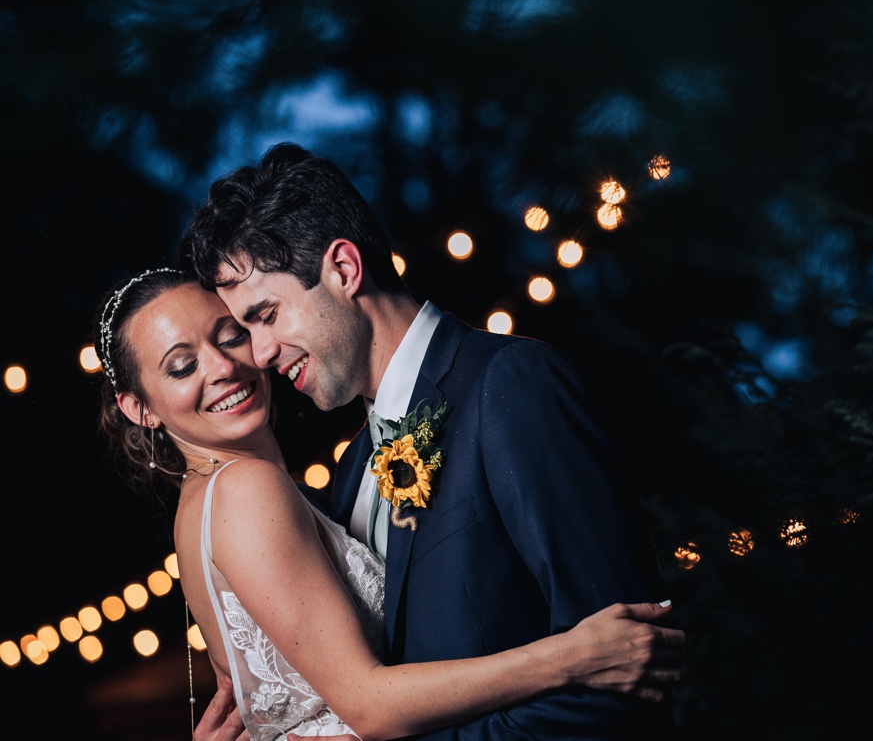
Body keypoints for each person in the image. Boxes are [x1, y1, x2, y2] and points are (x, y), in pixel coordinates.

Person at [180, 143, 674, 740]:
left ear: (343, 269)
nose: (258, 355)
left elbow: (626, 669)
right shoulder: (352, 469)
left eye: (266, 315)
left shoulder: (509, 382)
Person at [96, 268, 684, 741]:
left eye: (231, 335)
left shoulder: (205, 509)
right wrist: (570, 658)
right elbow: (369, 706)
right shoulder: (247, 489)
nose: (224, 368)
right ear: (138, 408)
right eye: (181, 366)